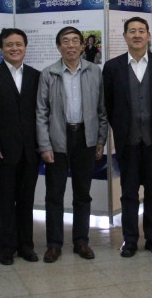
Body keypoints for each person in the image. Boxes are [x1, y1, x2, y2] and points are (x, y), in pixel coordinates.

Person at [103, 17, 152, 258]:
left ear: (148, 35)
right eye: (132, 31)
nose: (136, 35)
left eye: (141, 31)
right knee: (129, 193)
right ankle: (130, 240)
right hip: (128, 141)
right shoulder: (112, 67)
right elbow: (109, 103)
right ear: (125, 36)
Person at [37, 26, 108, 262]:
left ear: (82, 45)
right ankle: (54, 244)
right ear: (58, 46)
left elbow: (102, 110)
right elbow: (41, 113)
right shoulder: (48, 74)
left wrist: (100, 140)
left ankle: (81, 241)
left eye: (75, 40)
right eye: (65, 41)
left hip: (85, 138)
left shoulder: (94, 71)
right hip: (58, 138)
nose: (71, 45)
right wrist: (45, 145)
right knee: (54, 195)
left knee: (82, 194)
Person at [0, 28, 41, 265]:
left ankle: (26, 246)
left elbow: (40, 113)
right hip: (2, 151)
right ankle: (6, 247)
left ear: (25, 47)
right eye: (9, 45)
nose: (14, 48)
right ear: (1, 48)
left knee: (26, 201)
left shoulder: (36, 75)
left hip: (30, 151)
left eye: (18, 44)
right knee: (5, 202)